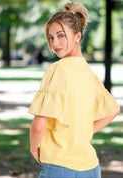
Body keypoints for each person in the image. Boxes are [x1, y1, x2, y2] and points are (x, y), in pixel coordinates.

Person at [28, 2, 120, 178]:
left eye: (61, 35)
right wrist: (82, 132)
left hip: (59, 165)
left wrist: (34, 148)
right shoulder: (88, 72)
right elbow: (113, 111)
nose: (55, 43)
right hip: (91, 168)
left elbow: (39, 124)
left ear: (78, 36)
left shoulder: (58, 69)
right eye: (51, 38)